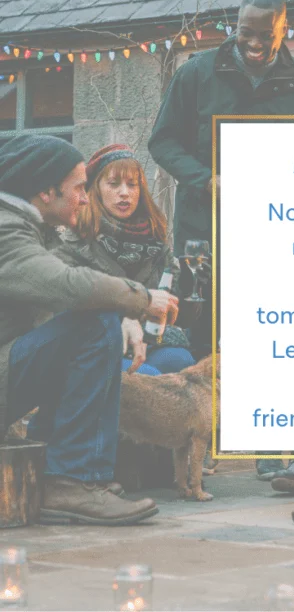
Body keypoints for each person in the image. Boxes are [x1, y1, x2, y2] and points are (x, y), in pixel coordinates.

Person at [149, 0, 294, 492]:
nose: (253, 42)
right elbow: (162, 141)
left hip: (271, 231)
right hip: (200, 234)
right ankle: (200, 445)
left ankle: (268, 447)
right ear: (236, 25)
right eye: (245, 32)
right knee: (200, 332)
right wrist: (207, 180)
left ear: (283, 30)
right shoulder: (196, 74)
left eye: (264, 35)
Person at [0, 135, 178, 525]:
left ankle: (58, 467)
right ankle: (72, 479)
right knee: (95, 324)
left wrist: (125, 316)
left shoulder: (28, 227)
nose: (85, 198)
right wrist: (140, 299)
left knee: (96, 323)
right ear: (46, 192)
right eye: (79, 188)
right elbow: (65, 285)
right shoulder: (6, 231)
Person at [54, 144, 200, 377]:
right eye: (114, 184)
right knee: (147, 376)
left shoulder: (156, 244)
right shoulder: (73, 247)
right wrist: (121, 319)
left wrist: (193, 286)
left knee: (181, 363)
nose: (125, 192)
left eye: (132, 184)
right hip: (97, 344)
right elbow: (66, 312)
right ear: (96, 190)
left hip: (150, 340)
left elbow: (179, 317)